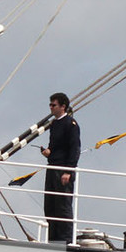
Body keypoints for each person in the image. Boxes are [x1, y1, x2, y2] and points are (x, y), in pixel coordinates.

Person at [41, 92, 81, 243]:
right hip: (52, 167)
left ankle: (65, 240)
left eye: (54, 105)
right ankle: (53, 238)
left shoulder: (70, 124)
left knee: (63, 205)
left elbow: (74, 148)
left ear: (63, 107)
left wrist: (68, 170)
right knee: (50, 204)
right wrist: (48, 152)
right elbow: (55, 146)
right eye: (50, 105)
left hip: (63, 169)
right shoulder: (55, 124)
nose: (51, 108)